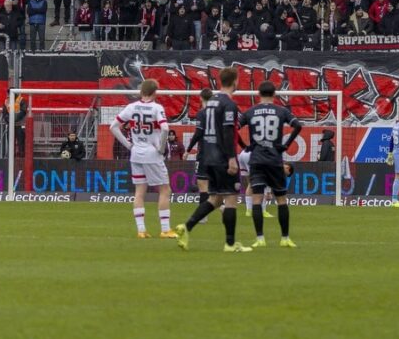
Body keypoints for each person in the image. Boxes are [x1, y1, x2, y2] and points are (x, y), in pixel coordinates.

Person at [178, 68, 249, 252]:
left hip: (208, 157)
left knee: (216, 200)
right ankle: (231, 244)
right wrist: (232, 158)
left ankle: (187, 227)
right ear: (234, 81)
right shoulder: (229, 104)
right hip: (222, 158)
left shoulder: (210, 103)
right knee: (231, 199)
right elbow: (227, 133)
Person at [239, 81, 302, 248]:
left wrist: (244, 145)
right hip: (275, 160)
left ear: (258, 94)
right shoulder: (282, 111)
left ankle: (260, 239)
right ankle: (285, 238)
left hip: (257, 159)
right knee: (281, 199)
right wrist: (286, 145)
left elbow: (232, 128)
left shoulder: (250, 112)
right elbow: (298, 125)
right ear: (274, 95)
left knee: (257, 199)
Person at [112, 79, 175, 239]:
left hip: (136, 153)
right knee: (165, 190)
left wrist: (129, 145)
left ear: (141, 92)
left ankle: (141, 230)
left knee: (140, 192)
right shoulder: (156, 108)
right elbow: (165, 128)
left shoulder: (131, 107)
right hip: (152, 155)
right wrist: (161, 148)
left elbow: (113, 127)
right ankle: (165, 229)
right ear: (155, 92)